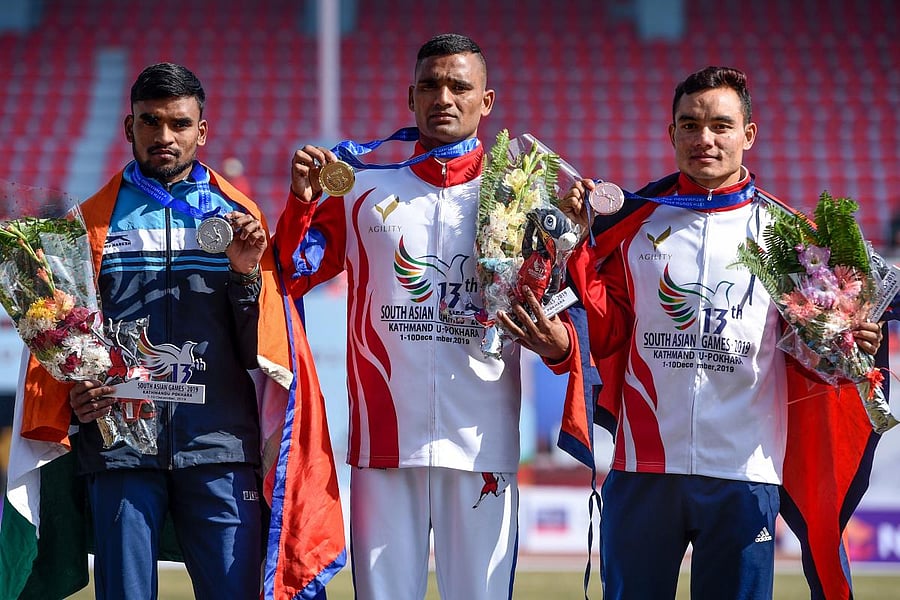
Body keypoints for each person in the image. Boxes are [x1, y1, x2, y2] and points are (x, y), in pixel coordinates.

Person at [498, 66, 886, 598]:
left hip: (744, 473)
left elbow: (819, 356)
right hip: (643, 467)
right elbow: (606, 333)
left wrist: (849, 348)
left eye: (721, 125)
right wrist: (567, 314)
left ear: (748, 134)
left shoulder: (793, 241)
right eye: (690, 125)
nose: (705, 138)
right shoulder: (633, 225)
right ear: (672, 133)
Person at [6, 62, 344, 599]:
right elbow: (64, 342)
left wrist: (243, 275)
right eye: (150, 121)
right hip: (119, 445)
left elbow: (263, 349)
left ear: (201, 131)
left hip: (219, 445)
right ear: (129, 126)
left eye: (179, 123)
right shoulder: (87, 223)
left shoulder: (239, 216)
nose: (164, 135)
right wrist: (73, 393)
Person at [275, 33, 542, 600]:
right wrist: (302, 202)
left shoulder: (520, 199)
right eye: (430, 85)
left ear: (486, 101)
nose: (443, 97)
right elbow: (294, 272)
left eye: (459, 86)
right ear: (411, 97)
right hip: (384, 443)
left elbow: (554, 305)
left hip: (482, 442)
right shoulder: (362, 191)